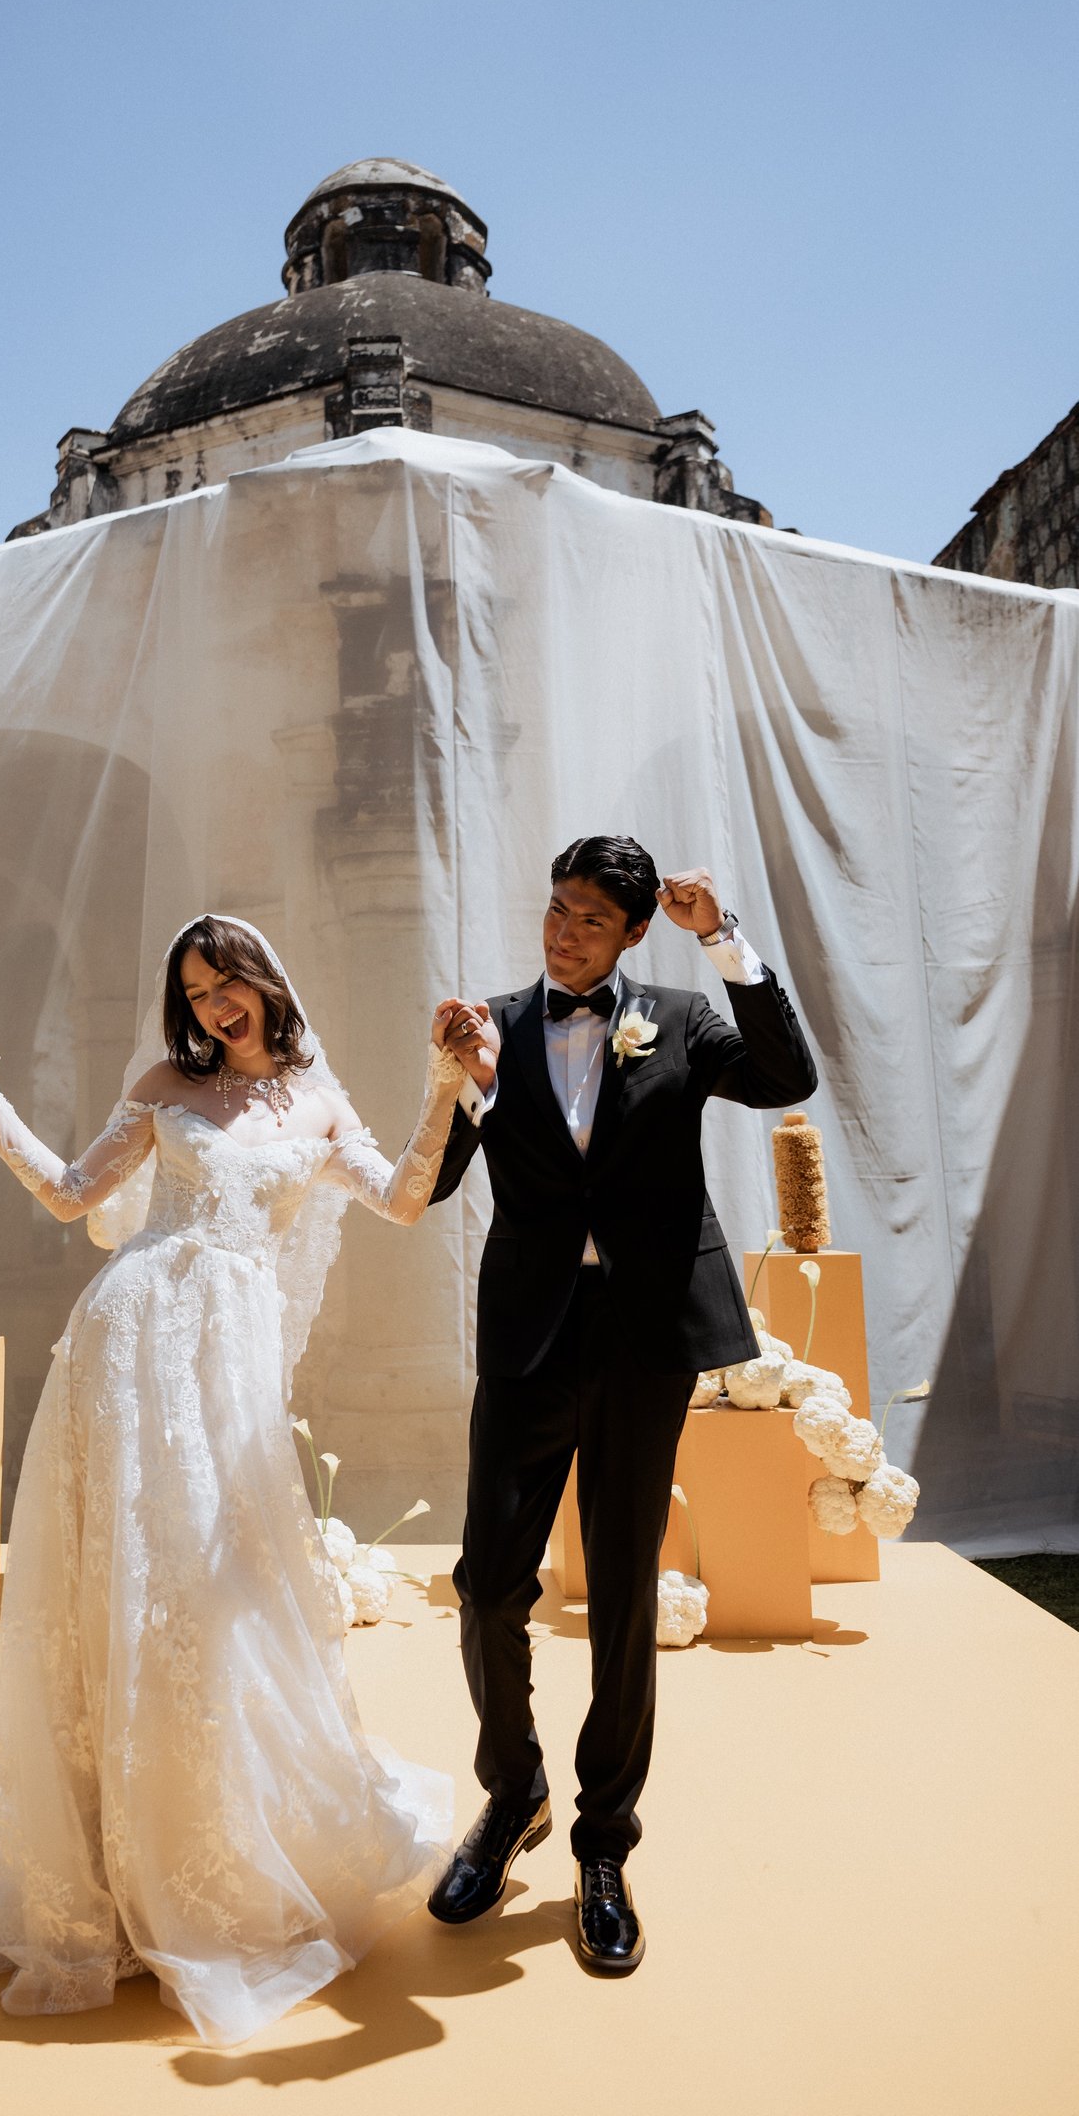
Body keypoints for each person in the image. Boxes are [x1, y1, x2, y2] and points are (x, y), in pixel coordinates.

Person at [0, 915, 463, 2047]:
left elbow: (401, 1199)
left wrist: (444, 1088)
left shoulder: (318, 1103)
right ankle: (106, 1863)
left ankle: (210, 1847)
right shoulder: (164, 1086)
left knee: (222, 1592)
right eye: (193, 994)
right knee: (128, 1583)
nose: (213, 1007)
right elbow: (70, 1193)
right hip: (130, 1340)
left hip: (228, 1361)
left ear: (264, 981)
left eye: (225, 983)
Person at [426, 837, 817, 1974]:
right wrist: (456, 1079)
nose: (564, 933)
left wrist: (723, 938)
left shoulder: (682, 1020)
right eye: (556, 910)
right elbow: (437, 1179)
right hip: (528, 1339)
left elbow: (785, 1076)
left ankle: (603, 1842)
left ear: (635, 931)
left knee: (621, 1588)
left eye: (590, 919)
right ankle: (513, 1794)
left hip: (645, 1339)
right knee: (486, 1582)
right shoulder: (493, 1025)